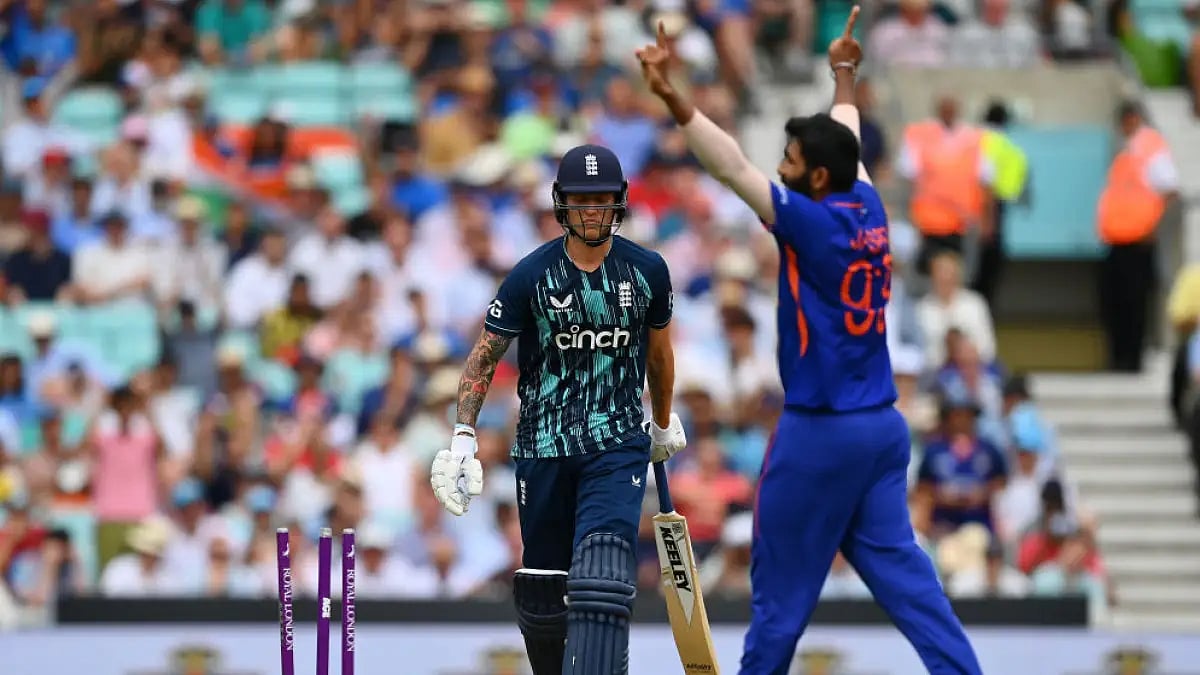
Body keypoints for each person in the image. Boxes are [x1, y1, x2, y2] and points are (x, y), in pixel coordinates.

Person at [637, 8, 983, 675]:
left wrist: (673, 98)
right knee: (914, 591)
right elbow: (844, 133)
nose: (782, 167)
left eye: (792, 161)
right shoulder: (868, 203)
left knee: (781, 603)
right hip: (881, 430)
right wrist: (844, 76)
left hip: (818, 433)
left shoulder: (812, 223)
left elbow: (734, 168)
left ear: (817, 178)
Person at [428, 144, 686, 675]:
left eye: (603, 200)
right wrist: (462, 437)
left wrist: (660, 422)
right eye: (581, 200)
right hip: (543, 445)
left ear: (619, 203)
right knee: (545, 590)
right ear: (561, 204)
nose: (593, 211)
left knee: (603, 573)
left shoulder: (647, 271)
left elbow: (659, 356)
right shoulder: (530, 275)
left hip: (616, 443)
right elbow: (484, 355)